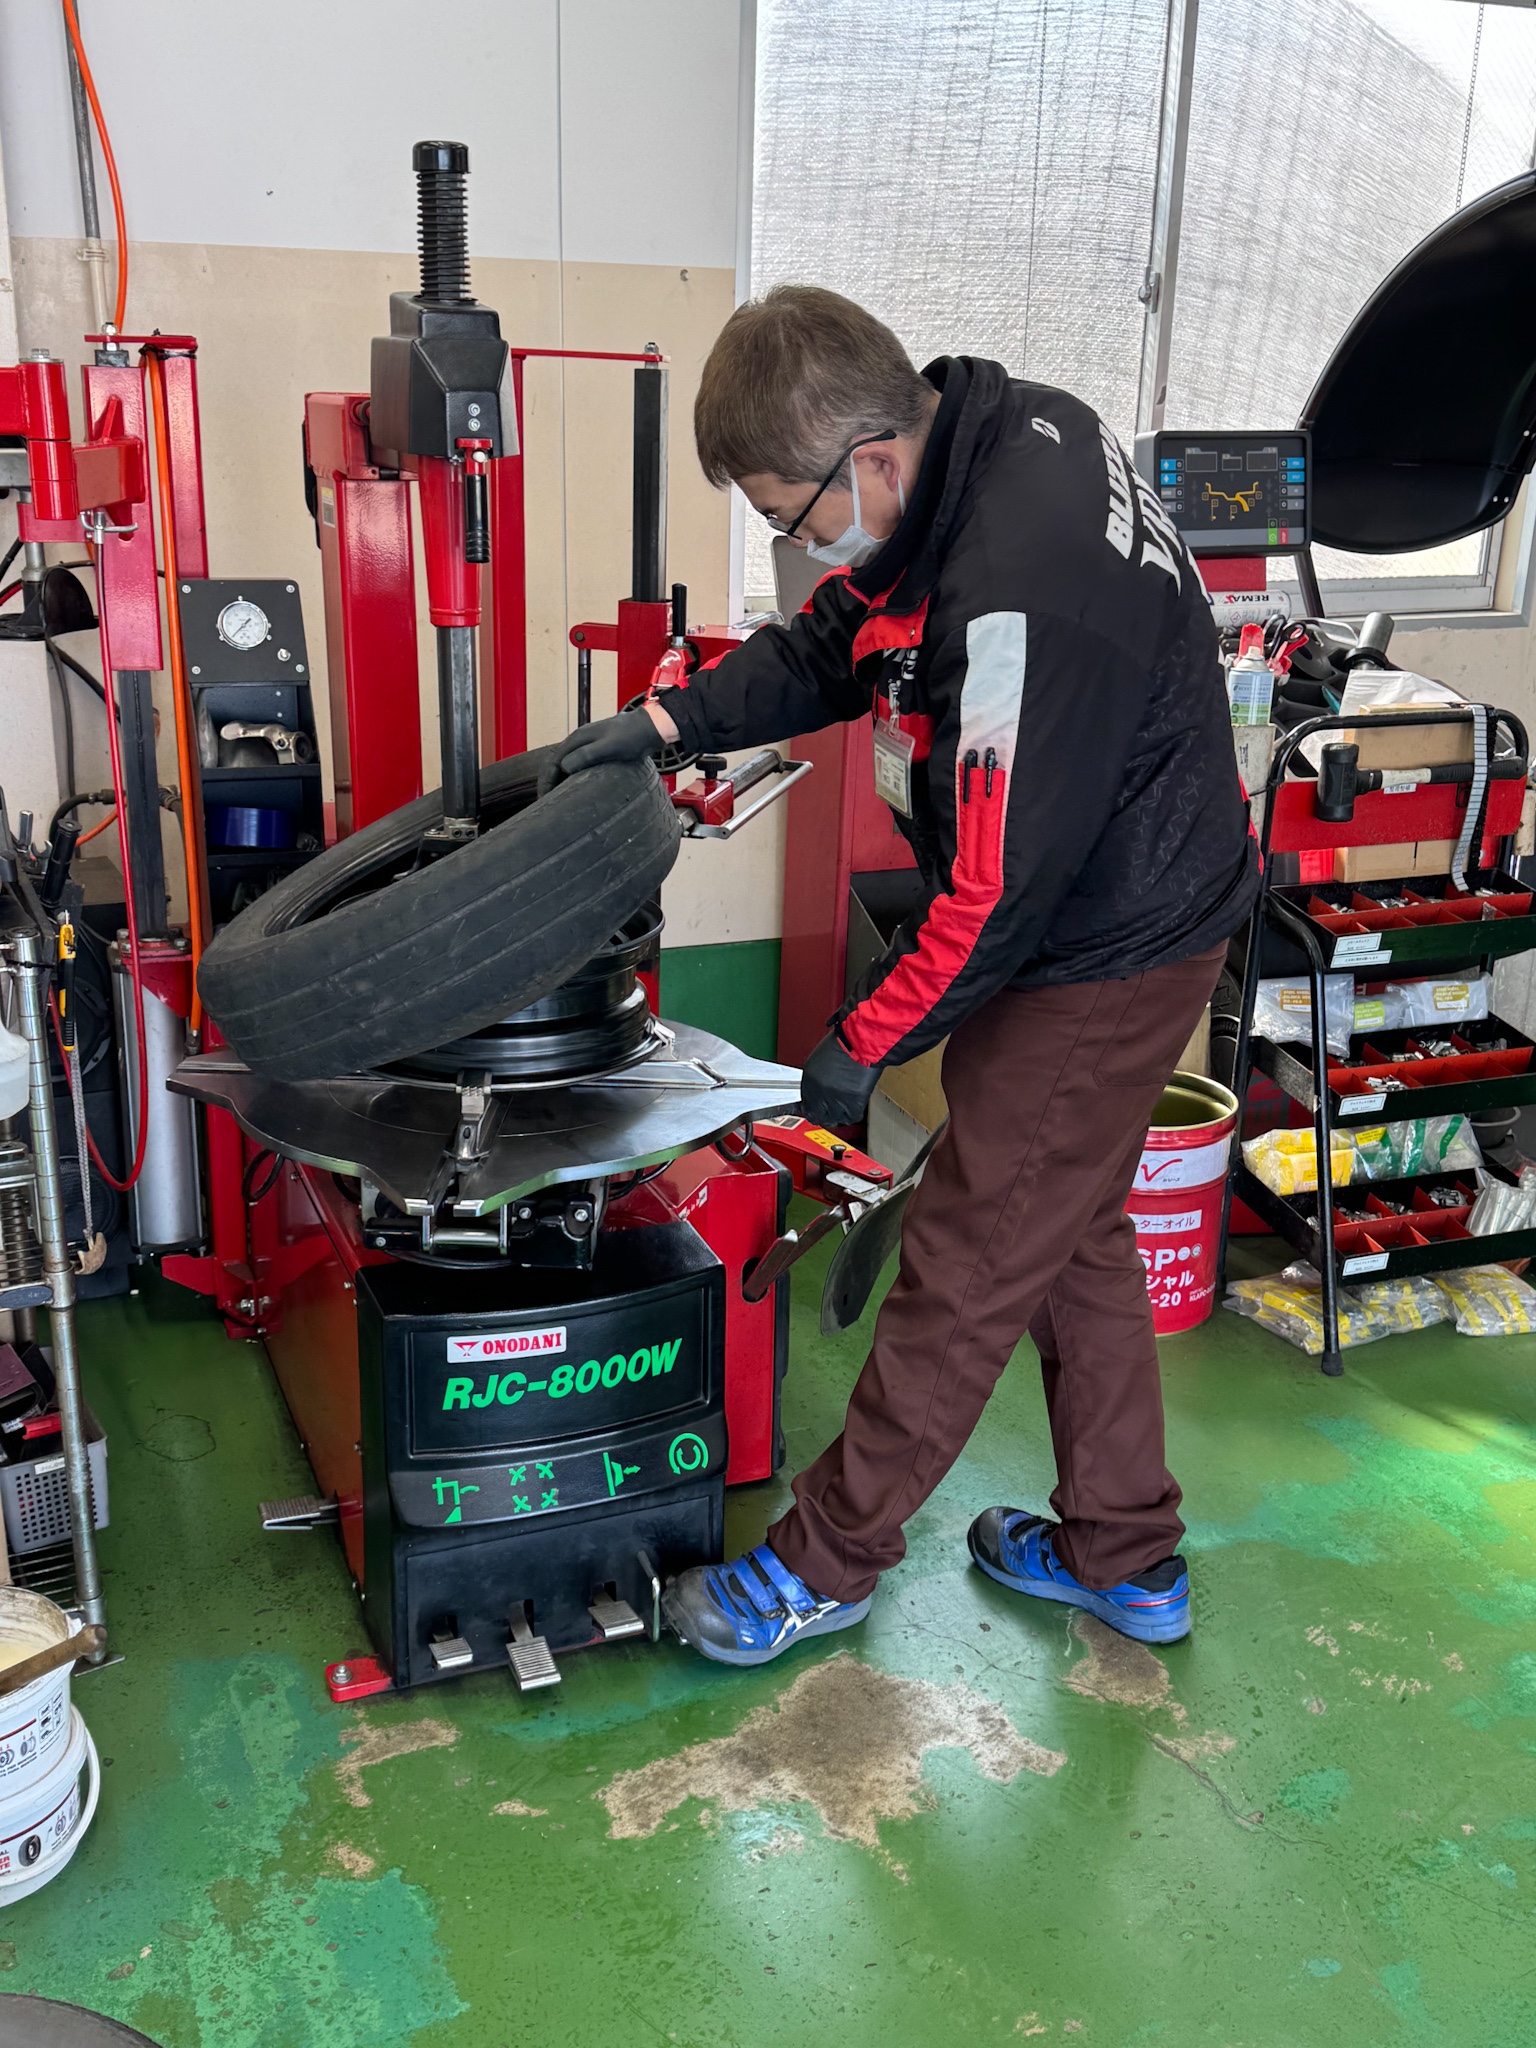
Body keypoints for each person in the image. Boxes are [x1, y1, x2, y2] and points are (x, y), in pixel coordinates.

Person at [539, 285, 1257, 1666]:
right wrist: (670, 721)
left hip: (1104, 944)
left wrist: (861, 1040)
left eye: (792, 519)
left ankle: (826, 1564)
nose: (799, 547)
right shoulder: (993, 439)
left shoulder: (1013, 594)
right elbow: (840, 638)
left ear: (869, 459)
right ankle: (1126, 1553)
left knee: (971, 1257)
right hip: (1110, 889)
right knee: (1069, 1228)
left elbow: (992, 891)